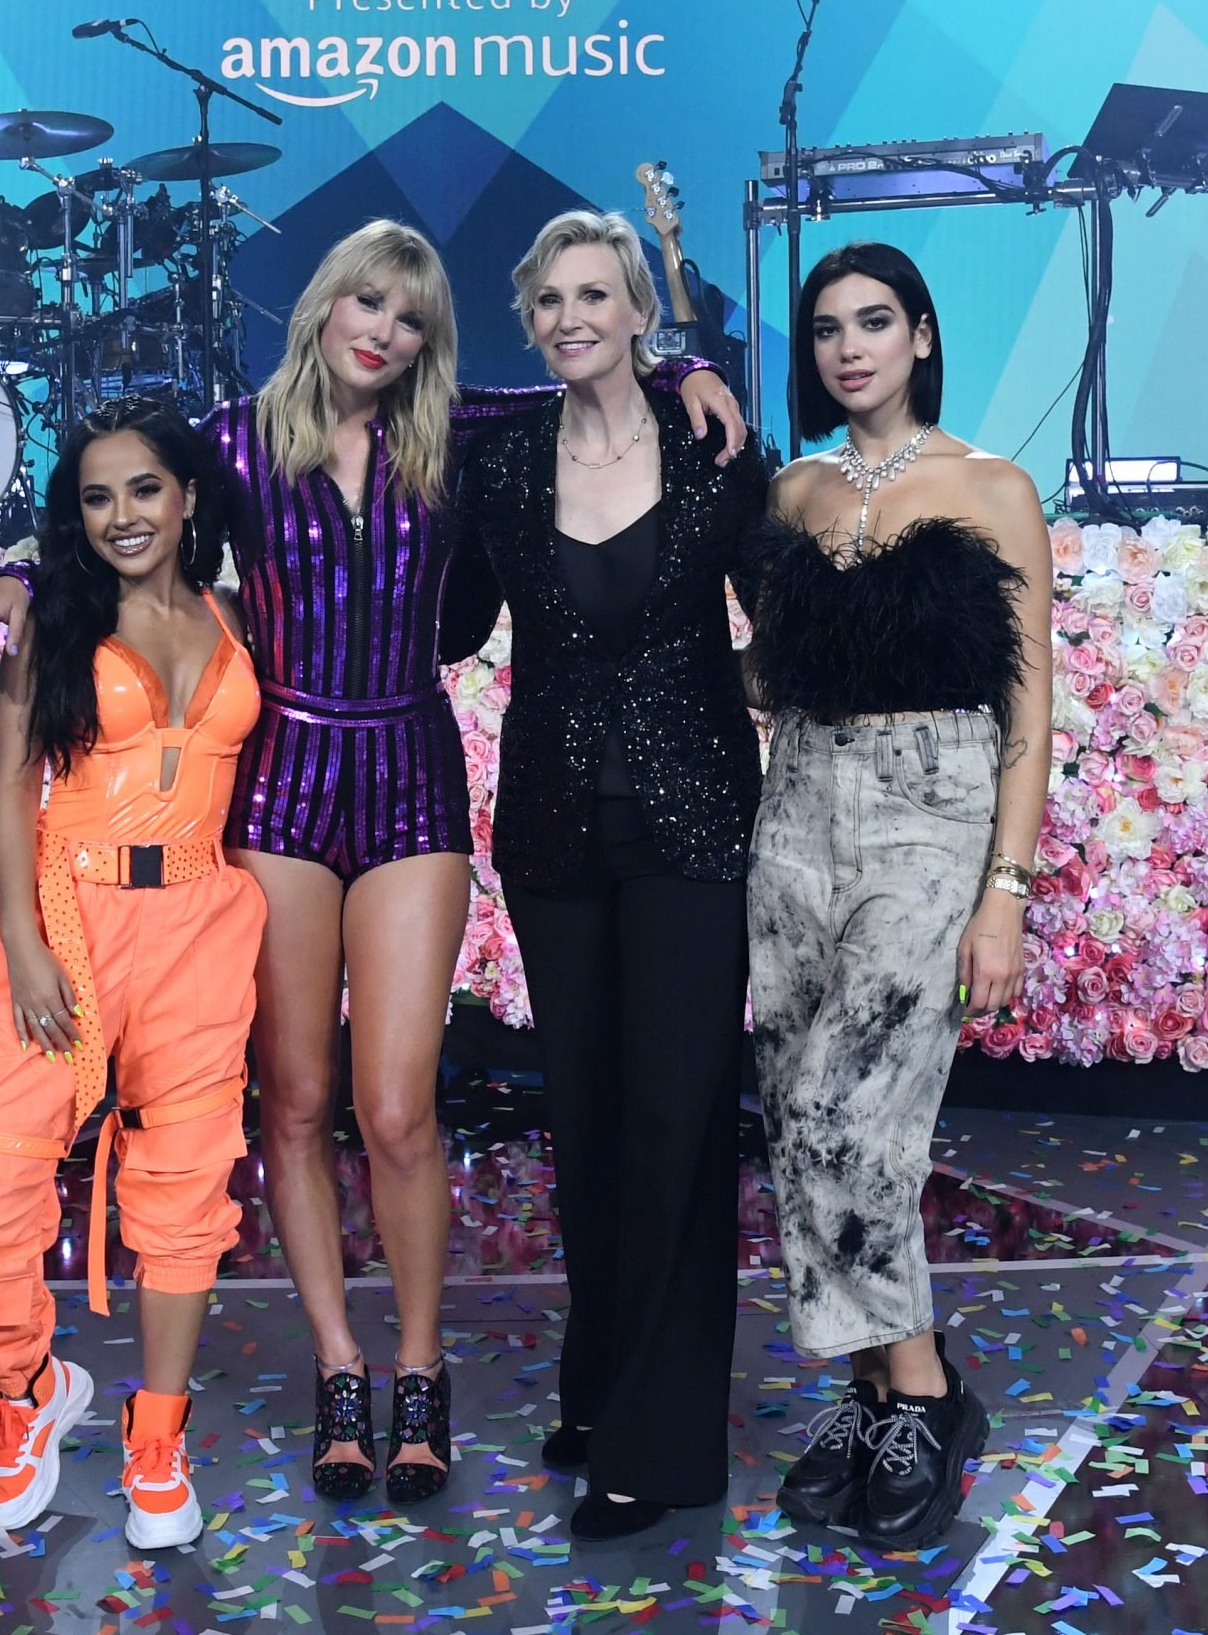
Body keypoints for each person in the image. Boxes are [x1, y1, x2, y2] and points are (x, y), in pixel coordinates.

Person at [0, 220, 745, 1504]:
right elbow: (111, 491)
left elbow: (588, 373)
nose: (383, 330)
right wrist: (11, 568)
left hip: (409, 779)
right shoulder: (229, 442)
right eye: (367, 303)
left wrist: (684, 369)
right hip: (281, 785)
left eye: (411, 316)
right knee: (294, 1099)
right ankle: (339, 1363)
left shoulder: (458, 433)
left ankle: (419, 1366)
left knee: (394, 1106)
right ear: (325, 304)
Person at [448, 212, 767, 1539]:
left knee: (676, 1120)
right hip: (554, 832)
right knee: (584, 1117)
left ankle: (660, 1442)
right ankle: (599, 1387)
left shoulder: (714, 447)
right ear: (529, 323)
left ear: (641, 308)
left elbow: (784, 617)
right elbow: (453, 622)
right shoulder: (501, 459)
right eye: (549, 300)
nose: (572, 317)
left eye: (596, 294)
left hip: (695, 825)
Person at [742, 241, 1053, 1549]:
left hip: (934, 813)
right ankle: (872, 1396)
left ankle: (923, 1391)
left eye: (875, 322)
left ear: (921, 335)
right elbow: (770, 679)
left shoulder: (991, 487)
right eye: (827, 329)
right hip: (796, 818)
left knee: (850, 1111)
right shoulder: (794, 491)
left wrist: (1006, 890)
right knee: (795, 1118)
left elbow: (1029, 713)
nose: (850, 347)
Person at [0, 396, 262, 1551]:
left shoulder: (238, 614)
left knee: (187, 1188)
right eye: (98, 497)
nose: (123, 515)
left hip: (203, 919)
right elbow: (9, 793)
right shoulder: (50, 626)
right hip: (67, 914)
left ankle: (156, 1434)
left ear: (188, 497)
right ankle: (25, 1395)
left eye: (144, 489)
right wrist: (24, 944)